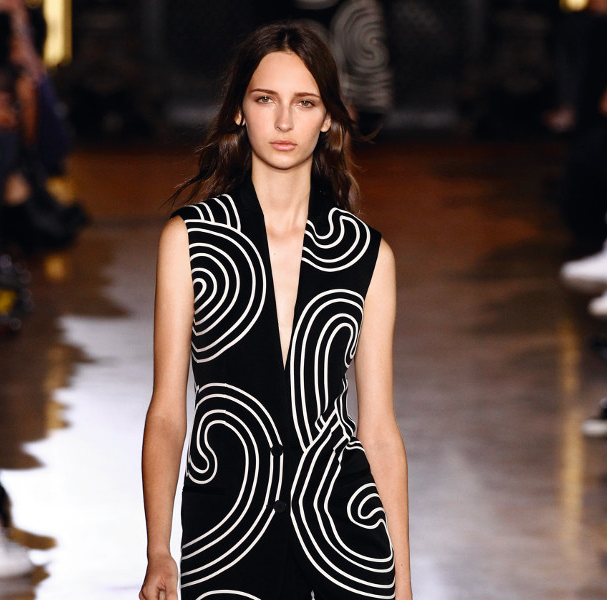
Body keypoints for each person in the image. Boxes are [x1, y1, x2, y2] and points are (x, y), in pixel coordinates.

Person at [140, 22, 412, 600]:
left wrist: (404, 582)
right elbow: (168, 408)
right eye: (266, 99)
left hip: (344, 526)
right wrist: (158, 549)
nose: (284, 122)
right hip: (227, 524)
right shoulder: (191, 241)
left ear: (330, 118)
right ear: (240, 110)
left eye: (305, 103)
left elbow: (379, 427)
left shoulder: (366, 255)